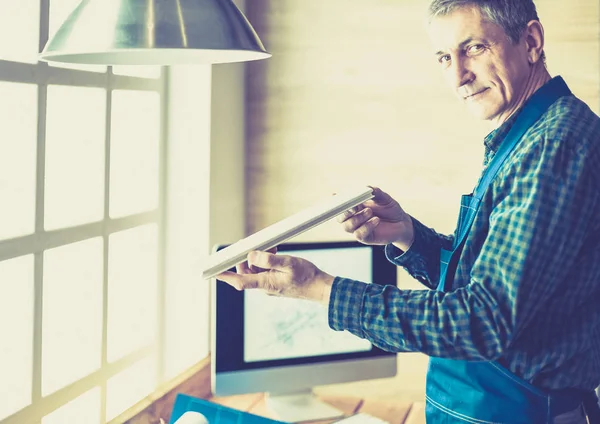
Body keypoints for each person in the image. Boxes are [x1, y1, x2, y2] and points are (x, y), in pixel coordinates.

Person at [217, 0, 600, 422]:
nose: (458, 76)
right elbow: (485, 279)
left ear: (530, 41)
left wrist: (320, 289)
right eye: (443, 57)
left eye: (473, 48)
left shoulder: (553, 144)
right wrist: (407, 235)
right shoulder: (529, 133)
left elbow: (482, 321)